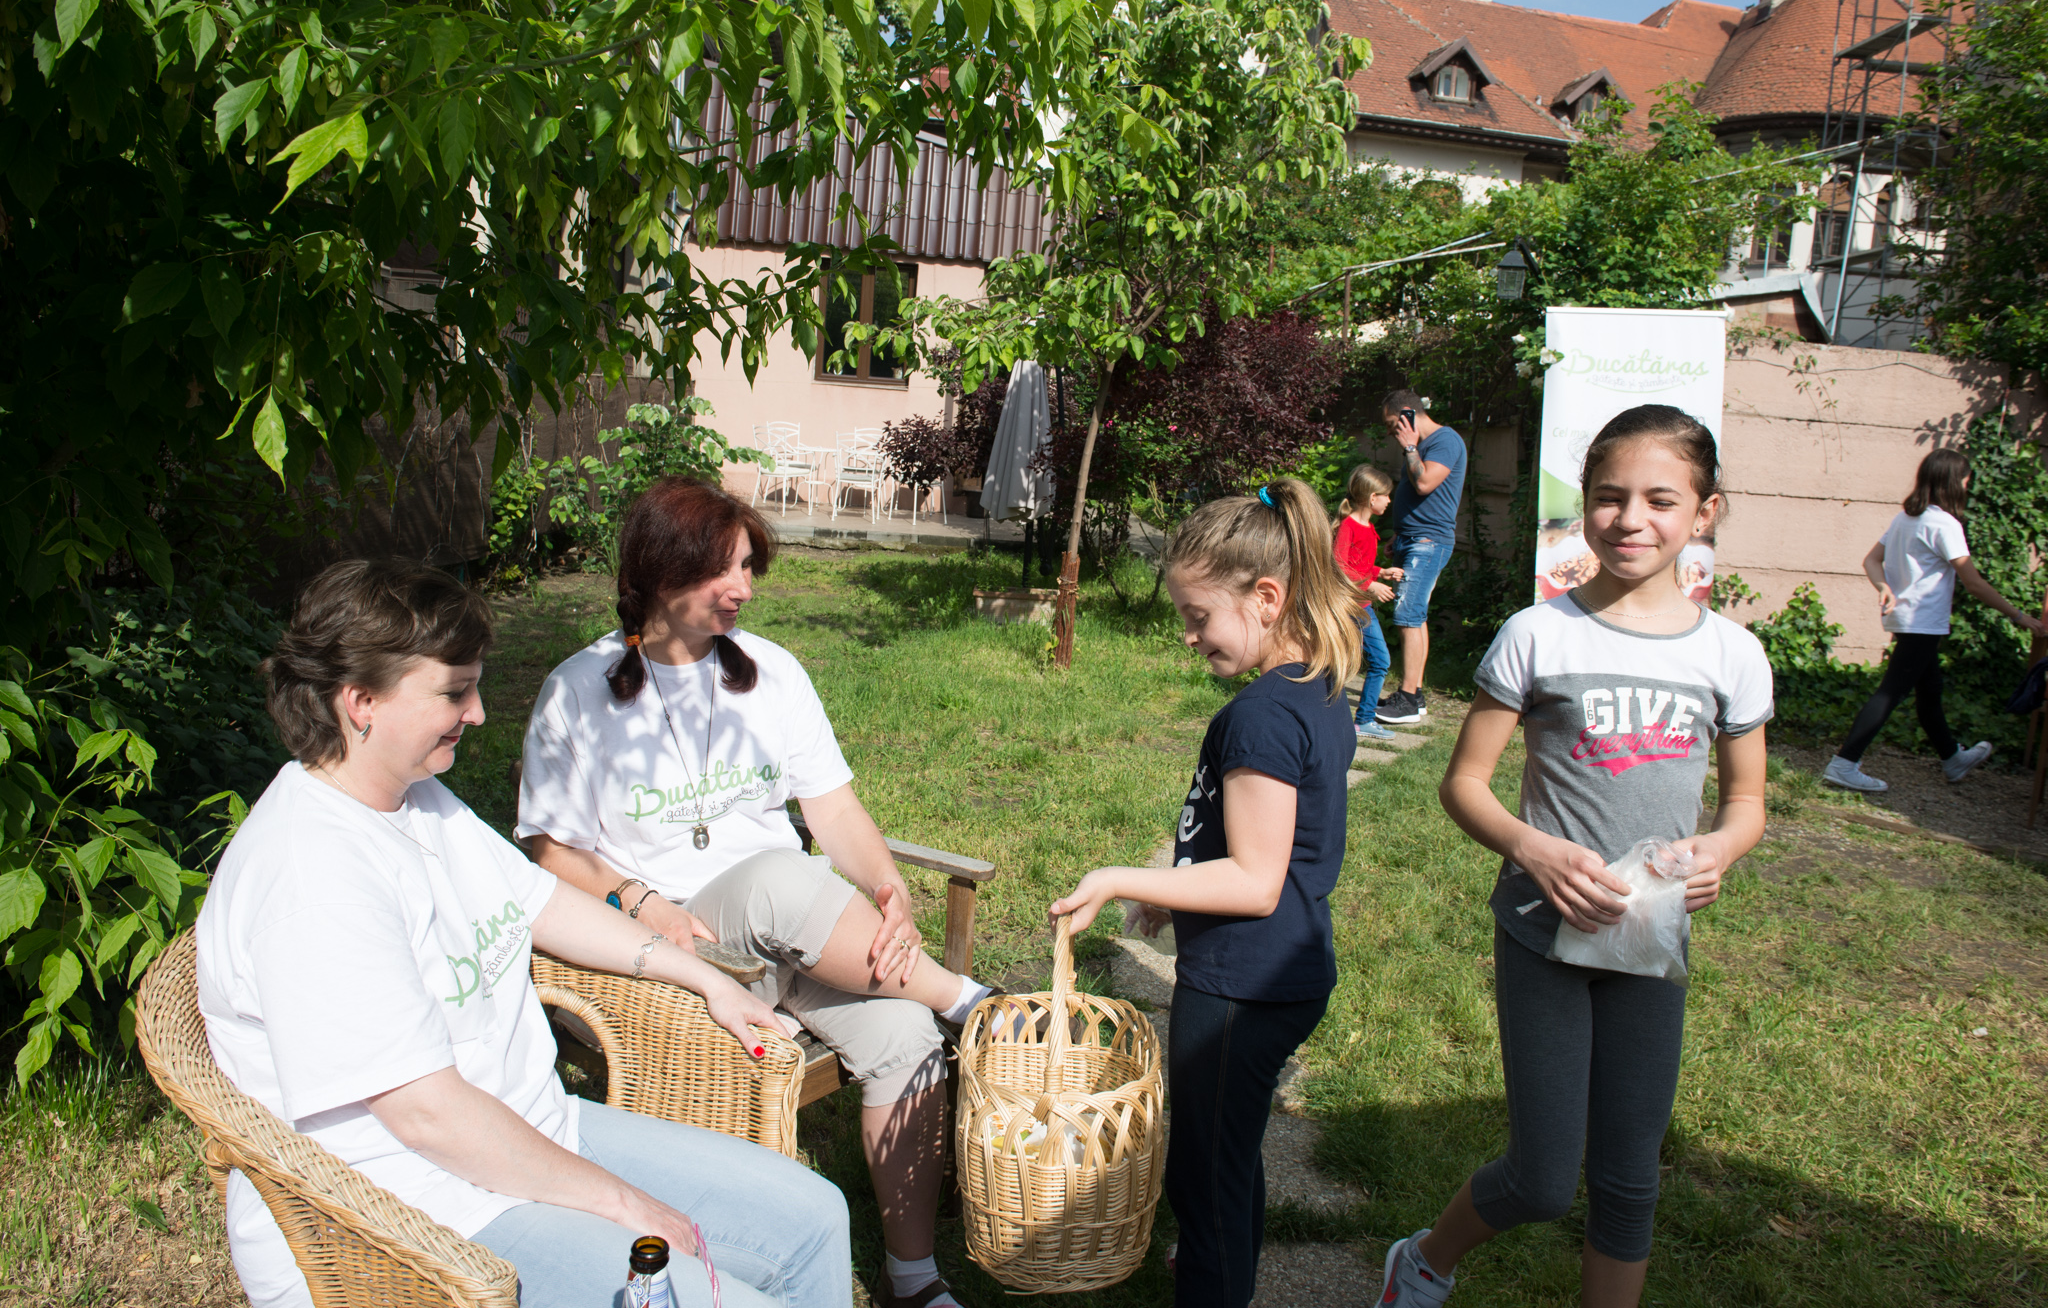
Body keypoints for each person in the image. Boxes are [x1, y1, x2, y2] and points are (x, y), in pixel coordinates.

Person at [198, 559, 851, 1308]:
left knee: (814, 1218)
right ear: (361, 702)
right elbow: (427, 1114)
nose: (478, 712)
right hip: (409, 1216)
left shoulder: (416, 799)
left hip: (535, 1135)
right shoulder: (311, 875)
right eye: (454, 691)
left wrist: (702, 976)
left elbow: (543, 904)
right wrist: (623, 1203)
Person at [516, 478, 997, 1308]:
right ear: (659, 571)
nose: (742, 586)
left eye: (748, 566)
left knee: (903, 1033)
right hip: (678, 946)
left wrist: (887, 886)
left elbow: (833, 808)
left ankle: (911, 1276)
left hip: (793, 936)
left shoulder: (770, 671)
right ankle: (975, 1004)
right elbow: (549, 851)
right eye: (722, 569)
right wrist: (637, 897)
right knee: (781, 876)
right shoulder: (578, 692)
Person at [1380, 406, 1772, 1308]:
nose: (1631, 518)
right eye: (1608, 496)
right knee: (1544, 1179)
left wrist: (1719, 848)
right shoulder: (1538, 634)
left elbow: (1748, 802)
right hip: (1541, 934)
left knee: (1630, 1179)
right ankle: (1425, 1260)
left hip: (1651, 944)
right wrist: (1534, 848)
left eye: (1661, 499)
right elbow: (1464, 784)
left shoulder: (1732, 654)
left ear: (1705, 511)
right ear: (1584, 504)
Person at [1048, 478, 1358, 1308]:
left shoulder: (1259, 717)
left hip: (1239, 986)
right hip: (1283, 973)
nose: (1188, 636)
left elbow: (1255, 881)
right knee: (1231, 1154)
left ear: (1266, 598)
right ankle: (1230, 1278)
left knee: (1205, 1182)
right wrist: (1178, 892)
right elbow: (1262, 849)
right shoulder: (1317, 688)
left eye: (1198, 615)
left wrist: (1117, 878)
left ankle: (1216, 1284)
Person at [1823, 448, 2048, 793]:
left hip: (1906, 618)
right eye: (1966, 480)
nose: (1968, 485)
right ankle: (1843, 764)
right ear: (1953, 482)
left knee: (1929, 692)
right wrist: (2019, 616)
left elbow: (1871, 560)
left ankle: (1952, 758)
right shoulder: (1945, 524)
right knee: (1891, 692)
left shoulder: (1906, 518)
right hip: (1923, 621)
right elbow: (1973, 582)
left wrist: (1884, 587)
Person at [1375, 390, 1467, 725]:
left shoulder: (1445, 441)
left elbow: (1425, 483)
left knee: (1407, 615)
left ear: (1407, 414)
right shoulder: (1424, 445)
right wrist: (1399, 534)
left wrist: (1411, 447)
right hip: (1412, 539)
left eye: (1392, 423)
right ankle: (1414, 693)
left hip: (1428, 543)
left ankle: (1408, 701)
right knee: (1415, 615)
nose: (1390, 431)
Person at [1333, 463, 1406, 742]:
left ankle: (1359, 719)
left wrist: (1380, 572)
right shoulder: (1348, 526)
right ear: (1372, 497)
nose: (1389, 501)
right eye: (1386, 495)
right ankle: (1361, 720)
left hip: (1361, 606)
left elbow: (1359, 565)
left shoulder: (1366, 527)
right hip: (1351, 607)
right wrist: (1369, 585)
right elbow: (1339, 567)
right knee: (1374, 661)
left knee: (1365, 661)